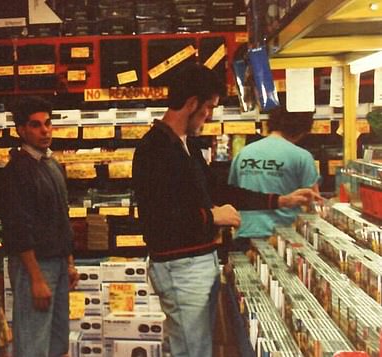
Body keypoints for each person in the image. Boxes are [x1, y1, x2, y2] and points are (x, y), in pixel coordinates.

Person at [131, 63, 319, 357]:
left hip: (194, 266)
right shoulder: (154, 148)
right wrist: (211, 217)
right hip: (181, 269)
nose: (209, 116)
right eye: (208, 108)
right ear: (192, 103)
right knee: (192, 351)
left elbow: (217, 190)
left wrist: (279, 200)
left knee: (190, 347)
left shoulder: (186, 145)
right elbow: (156, 220)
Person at [1, 96, 79, 357]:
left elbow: (62, 217)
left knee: (58, 343)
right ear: (21, 130)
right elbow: (18, 229)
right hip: (34, 267)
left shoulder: (51, 164)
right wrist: (36, 278)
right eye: (35, 125)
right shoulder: (17, 170)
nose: (45, 130)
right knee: (33, 345)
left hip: (56, 264)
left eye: (47, 124)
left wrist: (68, 262)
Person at [228, 107, 320, 252]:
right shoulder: (302, 157)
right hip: (281, 239)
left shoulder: (243, 153)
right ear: (303, 128)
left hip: (244, 235)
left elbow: (232, 195)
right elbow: (313, 202)